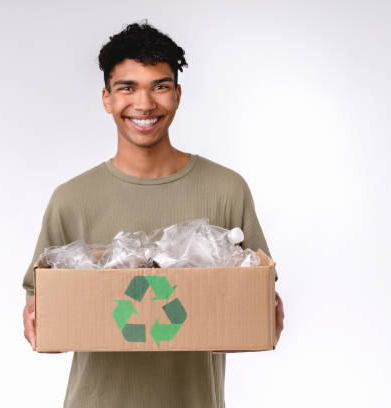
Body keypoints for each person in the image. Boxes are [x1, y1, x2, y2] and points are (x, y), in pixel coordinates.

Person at [22, 20, 285, 408]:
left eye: (159, 86)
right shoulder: (72, 199)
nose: (144, 104)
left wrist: (265, 316)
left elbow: (254, 311)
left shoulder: (226, 190)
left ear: (177, 94)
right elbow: (44, 318)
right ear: (106, 98)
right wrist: (38, 323)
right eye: (127, 87)